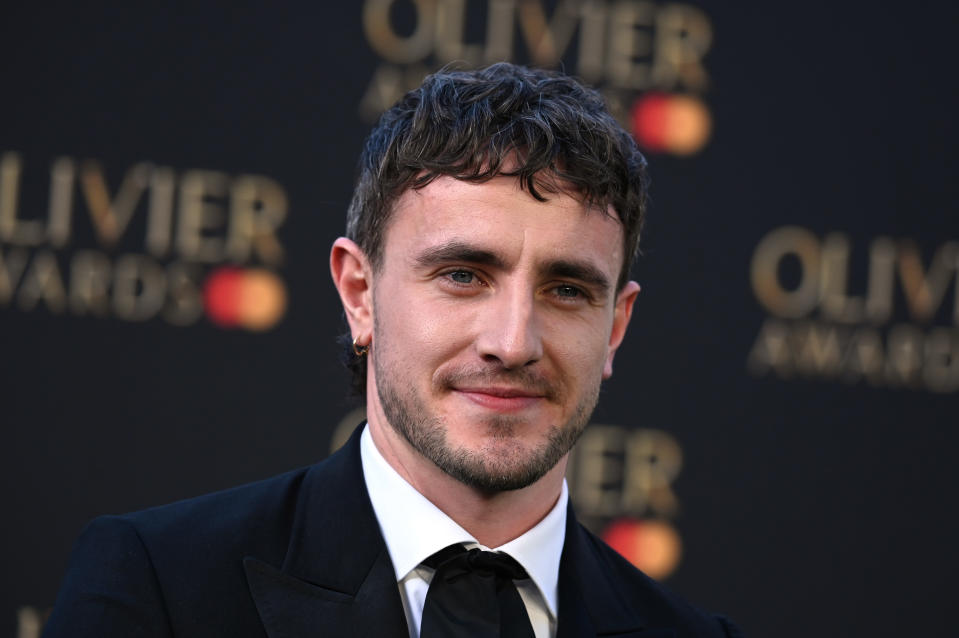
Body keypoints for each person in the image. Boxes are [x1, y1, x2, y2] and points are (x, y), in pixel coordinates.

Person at [44, 63, 742, 638]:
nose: (512, 342)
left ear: (615, 326)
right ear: (359, 293)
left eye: (566, 290)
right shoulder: (158, 587)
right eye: (463, 276)